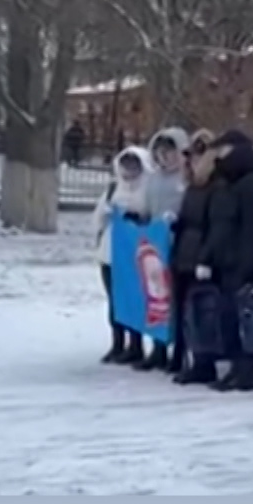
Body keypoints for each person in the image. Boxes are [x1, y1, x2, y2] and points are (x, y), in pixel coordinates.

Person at [198, 130, 253, 393]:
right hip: (231, 260)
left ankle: (244, 369)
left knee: (240, 317)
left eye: (221, 150)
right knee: (229, 317)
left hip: (242, 262)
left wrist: (248, 265)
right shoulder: (236, 181)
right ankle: (238, 368)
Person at [93, 146, 154, 366]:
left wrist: (137, 218)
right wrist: (107, 214)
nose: (129, 170)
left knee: (133, 301)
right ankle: (118, 343)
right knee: (115, 301)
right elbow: (98, 218)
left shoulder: (147, 189)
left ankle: (135, 345)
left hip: (133, 253)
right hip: (110, 254)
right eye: (125, 165)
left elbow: (151, 216)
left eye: (134, 165)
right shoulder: (113, 189)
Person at [137, 128, 191, 372]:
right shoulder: (153, 179)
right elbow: (147, 207)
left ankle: (178, 349)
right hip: (156, 248)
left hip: (178, 245)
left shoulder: (186, 178)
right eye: (160, 152)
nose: (165, 157)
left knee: (176, 300)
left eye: (170, 152)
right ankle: (158, 347)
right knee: (156, 298)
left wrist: (178, 220)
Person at [169, 131, 220, 384]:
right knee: (183, 308)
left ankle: (204, 359)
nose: (191, 162)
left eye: (197, 156)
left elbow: (217, 225)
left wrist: (207, 258)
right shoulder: (191, 187)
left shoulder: (216, 187)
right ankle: (182, 354)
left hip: (201, 254)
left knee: (203, 310)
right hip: (184, 252)